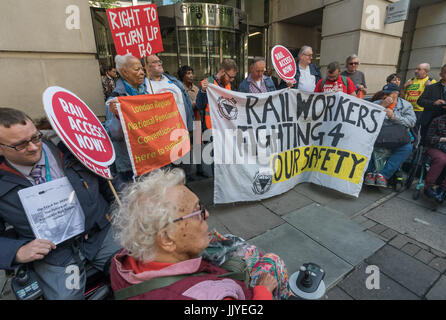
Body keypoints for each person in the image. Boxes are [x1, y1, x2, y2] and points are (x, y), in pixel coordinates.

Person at [109, 168, 292, 300]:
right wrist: (263, 291)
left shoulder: (122, 262)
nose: (206, 215)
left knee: (240, 247)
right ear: (166, 239)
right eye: (197, 212)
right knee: (272, 262)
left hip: (202, 273)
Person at [0, 108, 121, 300]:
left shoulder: (71, 148)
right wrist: (17, 252)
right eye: (20, 145)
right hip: (56, 256)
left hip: (100, 235)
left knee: (137, 273)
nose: (32, 147)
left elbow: (111, 183)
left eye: (35, 137)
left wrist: (126, 209)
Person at [105, 53, 147, 182]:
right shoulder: (115, 99)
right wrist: (118, 116)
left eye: (142, 69)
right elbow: (115, 135)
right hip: (130, 164)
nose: (142, 73)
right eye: (137, 69)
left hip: (149, 158)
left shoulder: (147, 93)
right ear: (125, 72)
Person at [364, 83, 416, 187]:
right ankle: (369, 172)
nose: (385, 96)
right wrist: (381, 106)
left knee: (407, 148)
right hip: (379, 135)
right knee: (366, 142)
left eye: (388, 94)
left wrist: (394, 116)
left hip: (397, 136)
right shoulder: (377, 103)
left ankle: (383, 175)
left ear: (396, 93)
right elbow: (367, 119)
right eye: (384, 93)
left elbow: (411, 122)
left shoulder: (406, 105)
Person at [145, 55, 194, 134]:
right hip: (163, 136)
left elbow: (186, 104)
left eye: (159, 61)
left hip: (182, 132)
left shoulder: (174, 81)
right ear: (146, 66)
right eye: (155, 62)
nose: (159, 64)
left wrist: (190, 125)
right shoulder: (144, 86)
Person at [196, 59, 238, 131]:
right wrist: (203, 91)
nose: (232, 80)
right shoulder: (208, 83)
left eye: (233, 77)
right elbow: (200, 105)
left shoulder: (228, 85)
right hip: (210, 128)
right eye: (230, 77)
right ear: (222, 71)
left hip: (224, 127)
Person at [402, 63, 437, 136]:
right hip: (408, 109)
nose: (416, 71)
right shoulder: (411, 80)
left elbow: (434, 98)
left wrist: (429, 87)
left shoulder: (432, 81)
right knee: (405, 128)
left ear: (426, 71)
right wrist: (405, 86)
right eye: (416, 69)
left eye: (419, 69)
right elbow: (402, 96)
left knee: (414, 129)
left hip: (420, 110)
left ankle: (414, 145)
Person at [417, 63, 446, 141]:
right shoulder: (431, 87)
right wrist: (434, 103)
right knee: (424, 144)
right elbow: (420, 101)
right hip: (429, 121)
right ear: (441, 74)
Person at [423, 111, 446, 203]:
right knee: (441, 159)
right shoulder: (438, 120)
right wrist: (443, 139)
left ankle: (442, 190)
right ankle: (429, 187)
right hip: (436, 147)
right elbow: (429, 138)